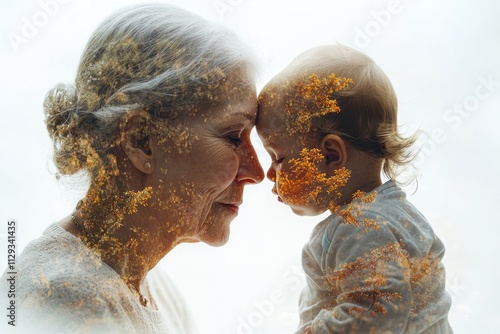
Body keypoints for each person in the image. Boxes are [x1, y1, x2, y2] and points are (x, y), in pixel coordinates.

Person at [0, 3, 264, 333]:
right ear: (141, 140)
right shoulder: (65, 302)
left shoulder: (153, 289)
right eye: (232, 136)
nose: (257, 172)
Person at [256, 44, 453, 333]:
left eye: (279, 157)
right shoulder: (394, 214)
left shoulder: (361, 226)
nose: (269, 173)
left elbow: (374, 315)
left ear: (331, 155)